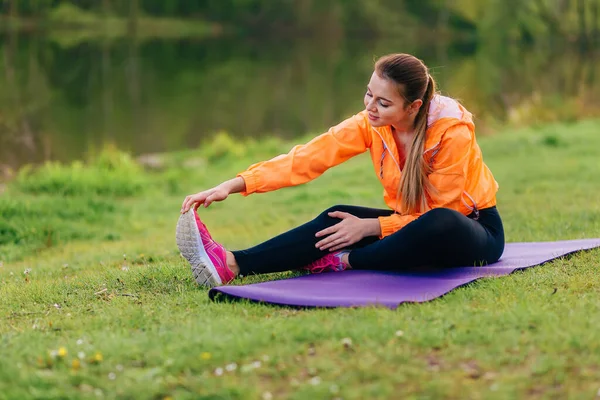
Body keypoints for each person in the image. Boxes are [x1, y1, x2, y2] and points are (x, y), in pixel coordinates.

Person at [176, 53, 505, 288]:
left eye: (383, 103)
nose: (369, 107)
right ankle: (232, 263)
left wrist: (372, 227)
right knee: (338, 216)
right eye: (368, 93)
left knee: (437, 221)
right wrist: (234, 184)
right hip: (408, 226)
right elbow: (308, 158)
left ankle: (344, 261)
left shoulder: (451, 131)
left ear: (413, 106)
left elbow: (444, 212)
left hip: (472, 230)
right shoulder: (372, 124)